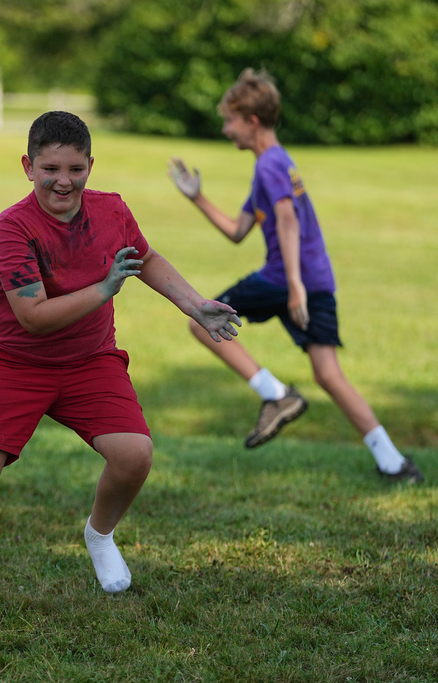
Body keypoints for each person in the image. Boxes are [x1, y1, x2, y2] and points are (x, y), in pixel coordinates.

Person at [0, 110, 242, 624]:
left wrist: (195, 305)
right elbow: (32, 317)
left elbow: (147, 257)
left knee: (134, 455)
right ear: (28, 166)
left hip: (89, 360)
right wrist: (105, 288)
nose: (63, 181)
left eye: (75, 168)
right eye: (50, 168)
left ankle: (99, 533)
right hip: (15, 362)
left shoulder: (111, 210)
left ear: (91, 164)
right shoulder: (13, 226)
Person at [167, 68, 423, 483]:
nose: (224, 128)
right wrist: (197, 197)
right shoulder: (276, 162)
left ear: (251, 121)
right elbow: (237, 231)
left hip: (287, 278)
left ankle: (277, 394)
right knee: (328, 375)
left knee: (202, 319)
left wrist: (294, 286)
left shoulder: (269, 165)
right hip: (316, 278)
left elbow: (287, 220)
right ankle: (394, 462)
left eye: (229, 120)